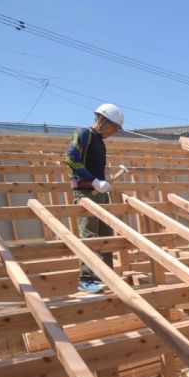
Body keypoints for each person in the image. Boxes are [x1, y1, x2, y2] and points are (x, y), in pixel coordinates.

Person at [64, 102, 124, 293]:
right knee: (89, 235)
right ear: (101, 119)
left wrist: (103, 181)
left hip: (99, 193)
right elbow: (71, 159)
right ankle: (86, 279)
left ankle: (106, 275)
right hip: (85, 193)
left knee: (106, 235)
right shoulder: (84, 134)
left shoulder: (100, 142)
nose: (112, 132)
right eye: (112, 128)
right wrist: (94, 181)